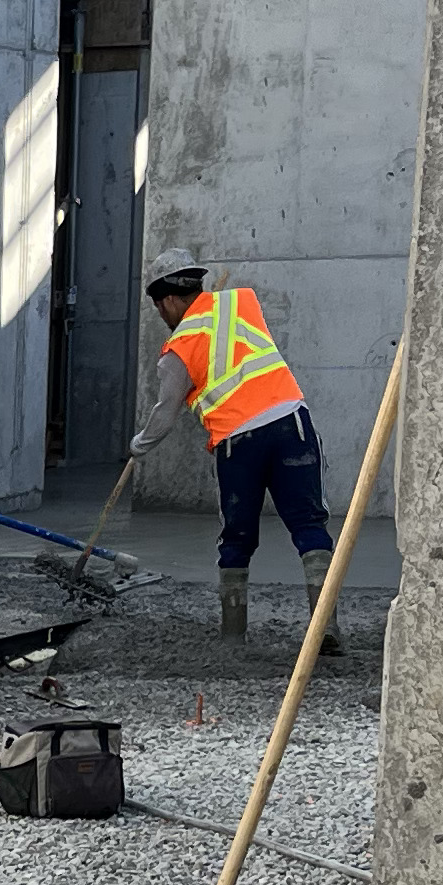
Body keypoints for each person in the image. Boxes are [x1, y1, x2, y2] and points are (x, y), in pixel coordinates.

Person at [137, 248, 335, 648]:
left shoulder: (178, 350)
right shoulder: (240, 302)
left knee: (237, 537)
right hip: (293, 423)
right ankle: (325, 629)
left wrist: (138, 446)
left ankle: (232, 637)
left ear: (170, 299)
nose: (162, 316)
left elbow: (165, 414)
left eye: (160, 307)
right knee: (310, 525)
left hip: (239, 441)